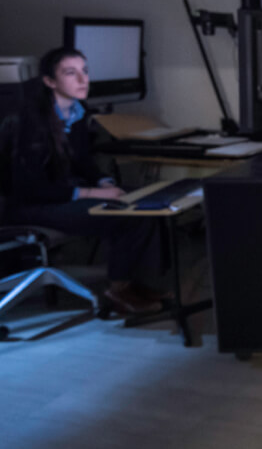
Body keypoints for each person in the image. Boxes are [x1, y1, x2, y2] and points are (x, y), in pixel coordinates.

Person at [4, 47, 167, 315]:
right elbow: (30, 188)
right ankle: (120, 289)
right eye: (71, 73)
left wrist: (102, 182)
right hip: (32, 204)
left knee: (148, 200)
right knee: (127, 215)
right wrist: (92, 193)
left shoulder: (77, 113)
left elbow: (83, 163)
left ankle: (140, 284)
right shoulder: (30, 122)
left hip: (65, 193)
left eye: (85, 72)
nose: (83, 80)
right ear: (50, 81)